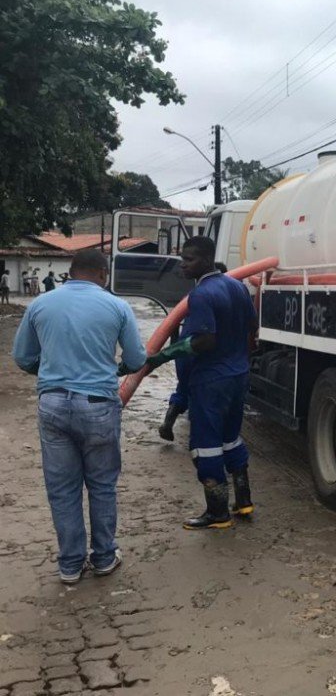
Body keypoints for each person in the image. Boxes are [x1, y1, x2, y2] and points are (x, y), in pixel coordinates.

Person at [12, 249, 146, 584]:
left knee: (62, 488)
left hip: (53, 405)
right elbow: (136, 357)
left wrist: (51, 375)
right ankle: (103, 557)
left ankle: (70, 565)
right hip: (99, 403)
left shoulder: (41, 304)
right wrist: (118, 369)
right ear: (103, 273)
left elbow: (22, 357)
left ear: (70, 272)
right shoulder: (117, 306)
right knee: (101, 485)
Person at [145, 240, 255, 529]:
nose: (183, 264)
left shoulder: (201, 294)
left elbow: (205, 340)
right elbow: (251, 330)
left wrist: (163, 355)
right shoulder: (237, 287)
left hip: (212, 379)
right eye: (182, 258)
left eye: (189, 259)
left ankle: (218, 513)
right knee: (231, 437)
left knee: (205, 444)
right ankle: (243, 501)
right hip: (237, 374)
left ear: (207, 260)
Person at [158, 262, 228, 442]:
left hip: (184, 349)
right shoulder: (224, 297)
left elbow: (172, 322)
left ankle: (168, 421)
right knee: (203, 391)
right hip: (202, 351)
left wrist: (174, 347)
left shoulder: (192, 296)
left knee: (183, 386)